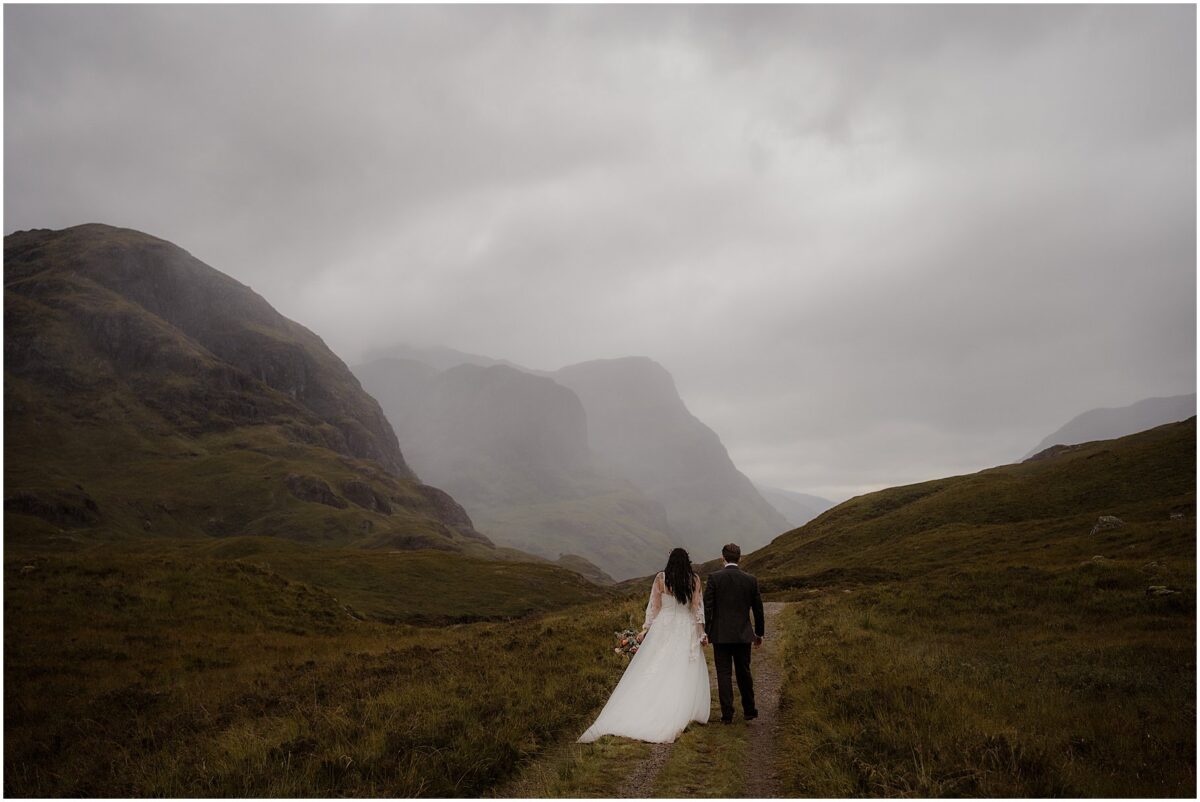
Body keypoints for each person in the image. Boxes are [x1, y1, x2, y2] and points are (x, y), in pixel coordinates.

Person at [578, 548, 710, 743]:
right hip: (684, 627)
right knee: (680, 666)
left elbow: (654, 608)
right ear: (687, 562)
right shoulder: (694, 580)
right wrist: (701, 634)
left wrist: (646, 629)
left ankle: (646, 704)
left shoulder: (661, 579)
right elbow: (696, 610)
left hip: (663, 626)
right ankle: (677, 706)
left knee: (656, 663)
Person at [703, 542, 765, 724]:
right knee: (743, 672)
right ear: (740, 557)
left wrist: (706, 631)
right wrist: (759, 634)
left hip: (720, 635)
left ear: (723, 558)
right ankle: (749, 710)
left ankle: (727, 715)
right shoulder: (750, 580)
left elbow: (707, 608)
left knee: (723, 674)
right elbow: (758, 609)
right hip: (743, 634)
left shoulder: (714, 578)